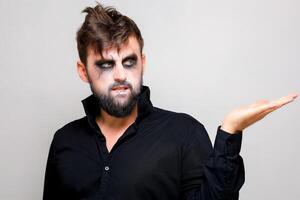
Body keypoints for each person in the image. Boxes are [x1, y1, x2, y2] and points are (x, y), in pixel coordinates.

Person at [43, 2, 298, 200]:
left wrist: (230, 132)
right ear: (83, 71)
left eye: (129, 62)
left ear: (143, 62)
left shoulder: (184, 134)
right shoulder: (64, 141)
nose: (120, 75)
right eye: (106, 65)